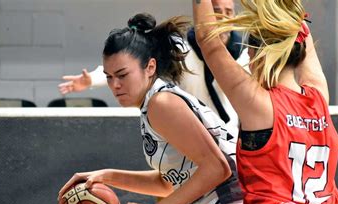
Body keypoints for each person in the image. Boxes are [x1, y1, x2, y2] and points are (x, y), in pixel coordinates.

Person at [57, 0, 248, 204]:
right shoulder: (151, 106)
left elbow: (218, 167)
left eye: (122, 75)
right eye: (110, 77)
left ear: (150, 68)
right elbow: (167, 183)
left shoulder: (162, 103)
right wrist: (105, 176)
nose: (115, 85)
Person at [193, 0, 338, 204]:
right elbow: (300, 33)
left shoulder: (260, 105)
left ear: (260, 55)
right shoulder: (319, 97)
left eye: (249, 53)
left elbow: (208, 42)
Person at [57, 0, 248, 130]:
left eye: (228, 11)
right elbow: (133, 63)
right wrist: (92, 79)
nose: (223, 17)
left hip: (231, 136)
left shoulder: (246, 53)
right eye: (215, 11)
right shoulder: (183, 47)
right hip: (193, 132)